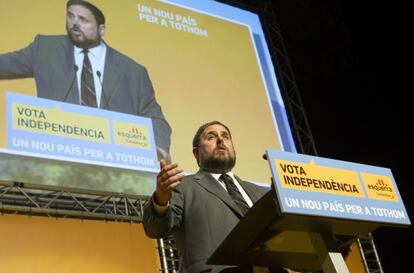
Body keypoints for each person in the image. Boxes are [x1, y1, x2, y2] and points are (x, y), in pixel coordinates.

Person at [0, 0, 171, 155]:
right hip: (56, 155)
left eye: (83, 19)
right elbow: (5, 65)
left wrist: (157, 150)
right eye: (71, 16)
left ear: (101, 29)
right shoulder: (44, 49)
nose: (75, 23)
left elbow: (154, 117)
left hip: (114, 163)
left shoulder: (133, 72)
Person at [143, 121, 286, 273]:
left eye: (226, 136)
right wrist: (160, 200)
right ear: (196, 153)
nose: (221, 140)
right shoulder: (182, 186)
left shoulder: (261, 193)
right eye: (211, 137)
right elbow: (156, 230)